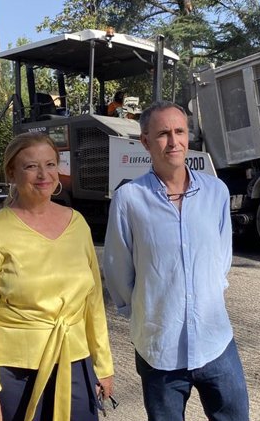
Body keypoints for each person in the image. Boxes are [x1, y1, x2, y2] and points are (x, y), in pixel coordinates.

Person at [103, 101, 249, 421]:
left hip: (215, 343)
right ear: (145, 141)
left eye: (180, 131)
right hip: (159, 348)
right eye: (163, 134)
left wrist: (207, 292)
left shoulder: (216, 193)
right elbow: (117, 268)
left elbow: (222, 257)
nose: (174, 142)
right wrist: (147, 310)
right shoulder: (130, 200)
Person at [0, 132, 114, 421]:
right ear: (12, 173)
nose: (43, 174)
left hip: (74, 364)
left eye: (50, 164)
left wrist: (103, 365)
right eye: (31, 166)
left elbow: (93, 304)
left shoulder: (77, 224)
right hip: (16, 374)